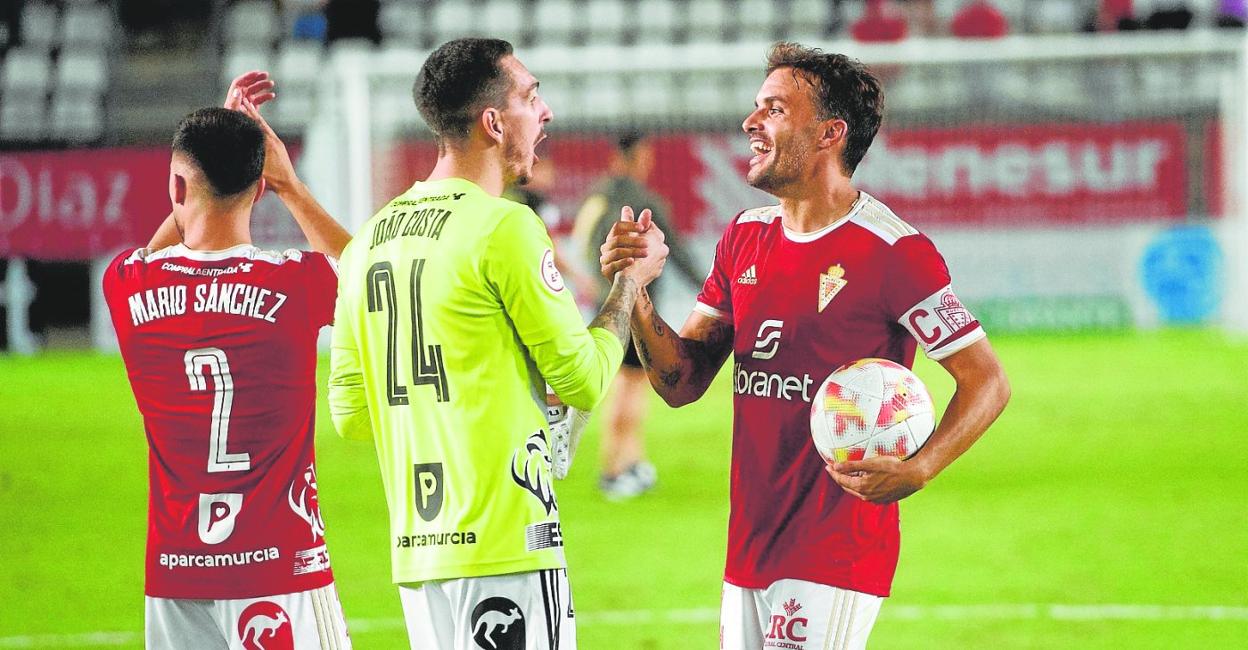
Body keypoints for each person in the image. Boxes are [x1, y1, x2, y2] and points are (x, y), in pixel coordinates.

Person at [600, 42, 1011, 649]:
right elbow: (681, 383)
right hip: (748, 546)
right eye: (755, 107)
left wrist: (920, 467)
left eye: (773, 109)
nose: (750, 122)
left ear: (829, 133)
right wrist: (634, 294)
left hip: (835, 550)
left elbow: (987, 380)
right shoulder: (744, 237)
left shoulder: (894, 252)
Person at [326, 38, 667, 649]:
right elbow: (585, 379)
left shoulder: (367, 242)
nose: (546, 112)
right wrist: (629, 285)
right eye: (530, 96)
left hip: (419, 559)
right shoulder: (506, 226)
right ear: (492, 121)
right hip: (508, 544)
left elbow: (351, 414)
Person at [103, 72, 355, 648]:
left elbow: (158, 250)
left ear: (175, 187)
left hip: (174, 574)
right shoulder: (297, 281)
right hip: (279, 566)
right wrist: (293, 186)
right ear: (261, 188)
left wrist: (203, 164)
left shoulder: (128, 283)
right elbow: (370, 276)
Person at [571, 131, 703, 499]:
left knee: (623, 385)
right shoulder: (645, 201)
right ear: (634, 157)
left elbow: (584, 245)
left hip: (604, 304)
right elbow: (674, 250)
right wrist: (711, 291)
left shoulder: (595, 198)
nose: (649, 163)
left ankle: (630, 462)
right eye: (645, 157)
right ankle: (614, 470)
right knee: (629, 389)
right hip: (636, 308)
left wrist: (597, 289)